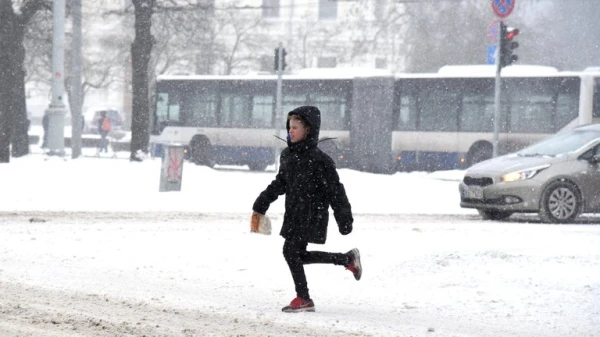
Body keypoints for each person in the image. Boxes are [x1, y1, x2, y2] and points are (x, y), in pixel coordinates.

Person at [252, 105, 362, 313]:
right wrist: (262, 202)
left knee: (290, 251)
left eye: (295, 127)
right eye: (289, 127)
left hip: (313, 213)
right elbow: (281, 183)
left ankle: (304, 298)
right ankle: (346, 259)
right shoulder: (288, 155)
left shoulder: (320, 161)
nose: (290, 131)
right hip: (294, 212)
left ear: (308, 130)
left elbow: (336, 192)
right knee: (297, 254)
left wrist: (343, 219)